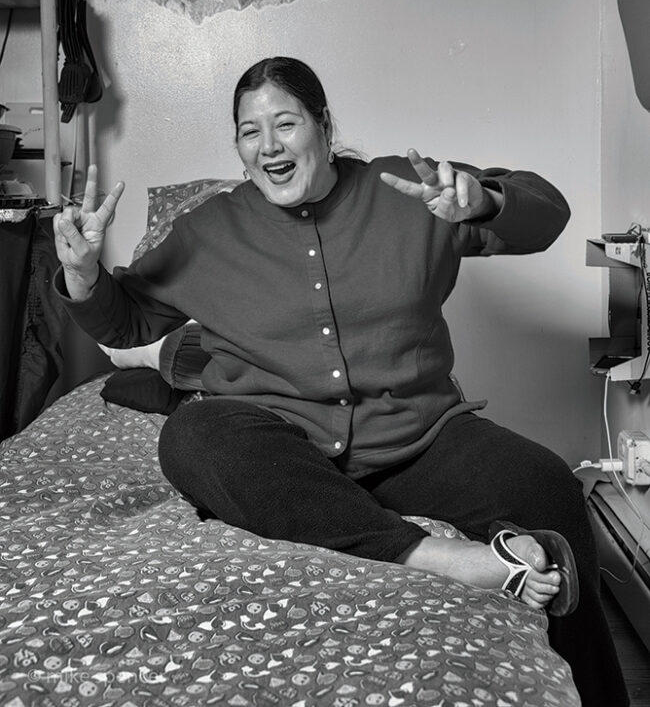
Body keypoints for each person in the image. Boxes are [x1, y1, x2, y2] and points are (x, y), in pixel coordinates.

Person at [53, 56, 628, 707]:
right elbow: (128, 319)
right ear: (239, 148)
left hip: (417, 438)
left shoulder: (407, 190)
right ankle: (443, 559)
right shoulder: (206, 231)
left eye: (285, 122)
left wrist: (487, 199)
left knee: (546, 482)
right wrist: (83, 275)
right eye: (249, 131)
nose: (268, 144)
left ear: (324, 127)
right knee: (192, 433)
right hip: (281, 445)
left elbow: (547, 214)